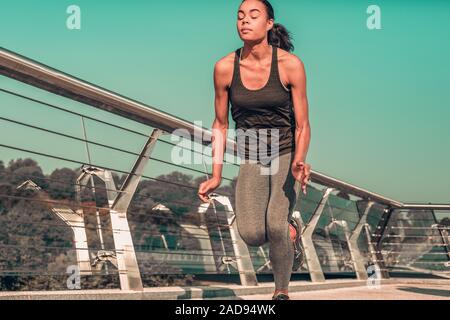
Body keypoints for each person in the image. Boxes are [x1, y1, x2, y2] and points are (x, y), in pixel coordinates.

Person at [198, 0, 311, 300]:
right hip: (253, 157)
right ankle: (291, 233)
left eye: (253, 15)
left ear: (269, 23)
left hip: (286, 153)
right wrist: (215, 175)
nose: (244, 21)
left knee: (275, 221)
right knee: (250, 233)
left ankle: (280, 292)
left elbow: (302, 125)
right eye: (240, 16)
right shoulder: (224, 68)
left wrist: (300, 160)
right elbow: (220, 125)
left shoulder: (290, 65)